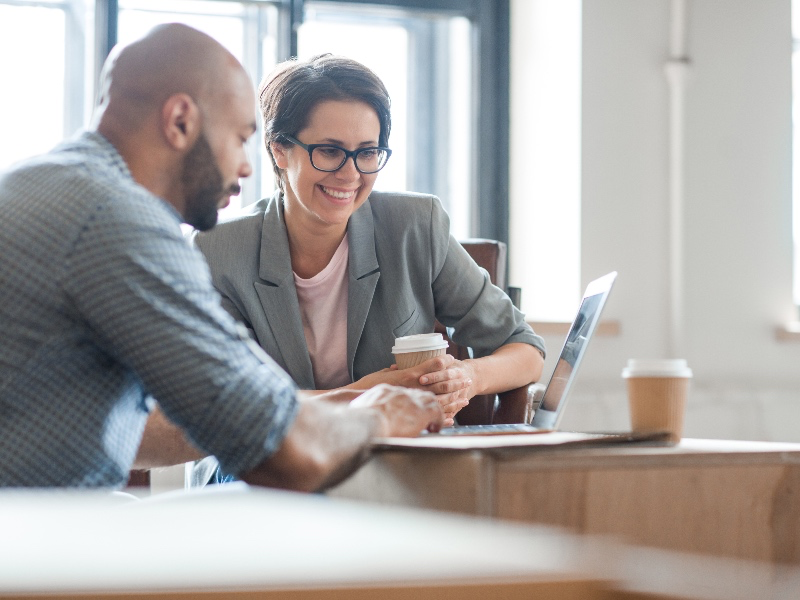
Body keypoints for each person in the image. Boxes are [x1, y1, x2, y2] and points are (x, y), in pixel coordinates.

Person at [0, 24, 443, 490]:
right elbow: (284, 456)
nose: (248, 166)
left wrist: (330, 406)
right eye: (239, 137)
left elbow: (161, 432)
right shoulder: (118, 220)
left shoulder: (40, 183)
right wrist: (377, 415)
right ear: (180, 122)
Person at [192, 54, 546, 427]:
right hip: (266, 461)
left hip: (398, 460)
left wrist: (467, 378)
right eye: (329, 151)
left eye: (367, 152)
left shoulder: (414, 226)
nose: (350, 174)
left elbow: (525, 349)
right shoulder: (219, 252)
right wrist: (363, 397)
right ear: (279, 149)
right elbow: (229, 401)